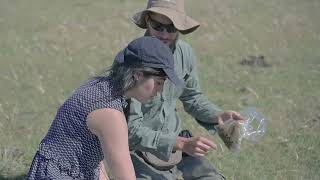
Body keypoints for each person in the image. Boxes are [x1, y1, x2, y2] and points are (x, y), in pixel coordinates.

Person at [26, 36, 182, 180]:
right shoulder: (110, 115)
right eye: (159, 82)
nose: (160, 91)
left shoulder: (102, 86)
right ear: (138, 74)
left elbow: (90, 155)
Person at [121, 0, 245, 179]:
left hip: (178, 146)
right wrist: (178, 143)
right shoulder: (131, 60)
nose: (164, 35)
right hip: (140, 150)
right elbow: (130, 131)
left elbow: (193, 98)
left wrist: (218, 115)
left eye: (171, 28)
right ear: (147, 20)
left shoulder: (184, 53)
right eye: (158, 26)